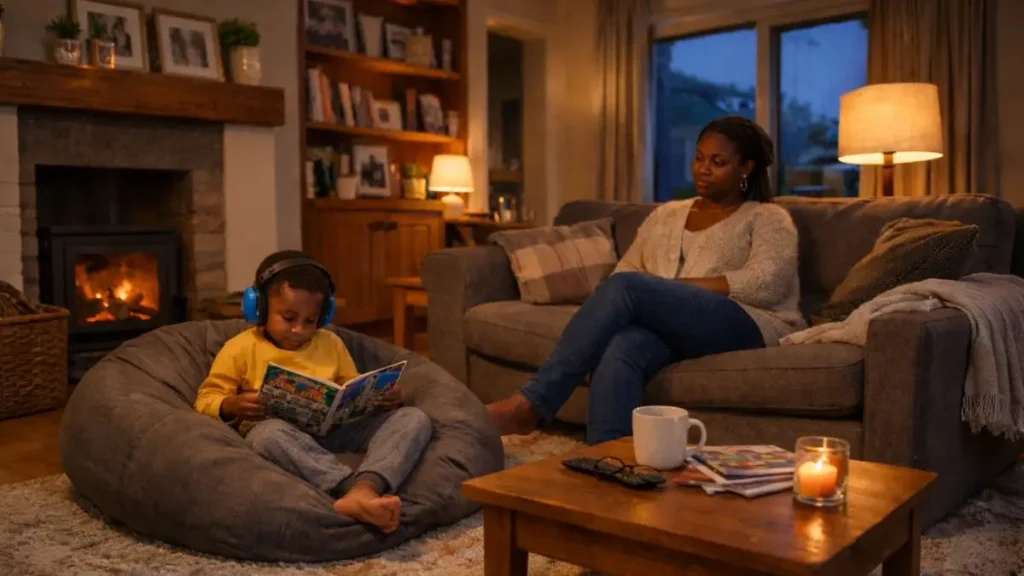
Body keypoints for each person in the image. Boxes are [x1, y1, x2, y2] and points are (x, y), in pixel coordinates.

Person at [485, 116, 806, 445]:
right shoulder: (667, 215)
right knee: (622, 344)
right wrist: (660, 299)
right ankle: (610, 457)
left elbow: (767, 282)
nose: (703, 168)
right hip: (674, 326)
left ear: (746, 168)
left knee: (628, 288)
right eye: (699, 158)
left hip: (746, 321)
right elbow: (627, 268)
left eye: (718, 162)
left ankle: (532, 404)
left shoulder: (767, 217)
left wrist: (670, 292)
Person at [194, 250, 432, 534]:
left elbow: (352, 386)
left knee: (414, 418)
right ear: (259, 307)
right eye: (288, 317)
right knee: (265, 435)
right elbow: (206, 399)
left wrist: (381, 398)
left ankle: (367, 487)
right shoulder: (241, 347)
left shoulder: (330, 342)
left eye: (310, 321)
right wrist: (231, 405)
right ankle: (347, 489)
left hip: (337, 429)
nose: (298, 329)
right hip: (285, 436)